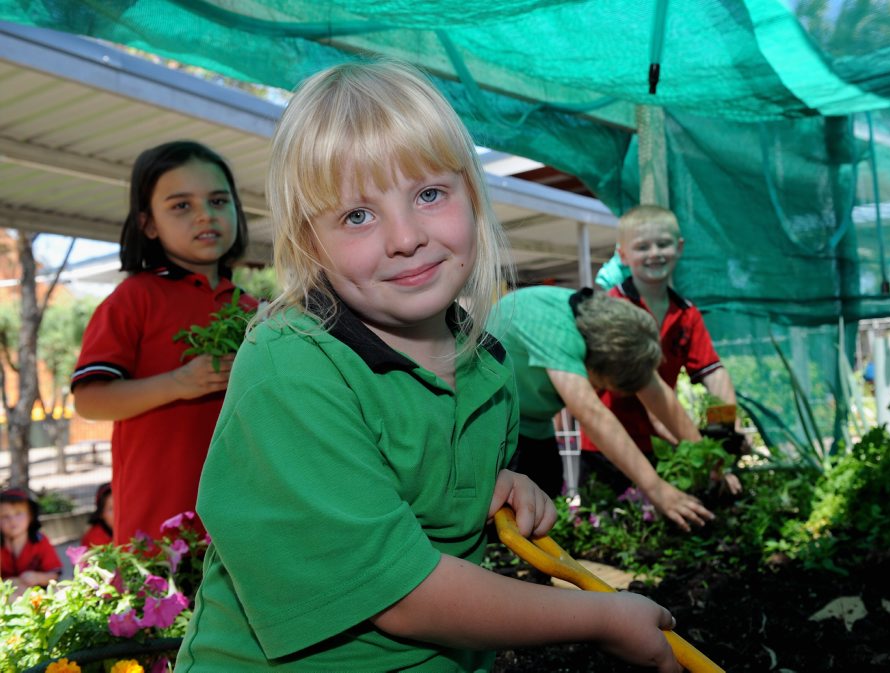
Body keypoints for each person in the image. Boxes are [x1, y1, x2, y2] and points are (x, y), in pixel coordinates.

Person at [175, 60, 681, 672]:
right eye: (357, 215)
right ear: (311, 243)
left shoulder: (485, 365)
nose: (406, 236)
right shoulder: (293, 366)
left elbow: (424, 499)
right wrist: (602, 616)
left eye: (429, 194)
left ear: (472, 195)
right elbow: (402, 594)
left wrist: (498, 491)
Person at [70, 141, 259, 544]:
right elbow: (89, 400)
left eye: (218, 200)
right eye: (181, 206)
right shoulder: (133, 299)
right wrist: (179, 383)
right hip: (156, 526)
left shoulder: (253, 310)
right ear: (148, 224)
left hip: (242, 518)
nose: (206, 215)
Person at [487, 285, 714, 531]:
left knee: (545, 499)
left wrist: (711, 460)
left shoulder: (610, 330)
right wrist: (656, 489)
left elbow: (659, 395)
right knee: (506, 516)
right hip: (492, 423)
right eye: (603, 385)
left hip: (534, 422)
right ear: (592, 366)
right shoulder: (556, 330)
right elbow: (591, 415)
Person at [589, 205, 743, 495]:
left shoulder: (687, 314)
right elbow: (648, 391)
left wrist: (726, 431)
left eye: (663, 243)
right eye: (642, 246)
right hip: (608, 445)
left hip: (660, 444)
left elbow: (713, 373)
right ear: (623, 255)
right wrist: (706, 455)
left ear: (679, 247)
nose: (654, 253)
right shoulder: (612, 307)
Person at [1, 488, 62, 598]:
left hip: (39, 598)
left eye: (18, 513)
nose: (12, 520)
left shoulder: (40, 540)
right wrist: (10, 582)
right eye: (5, 516)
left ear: (31, 516)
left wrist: (38, 577)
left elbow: (55, 574)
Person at [80, 482, 113, 547]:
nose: (118, 514)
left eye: (121, 507)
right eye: (111, 509)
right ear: (101, 513)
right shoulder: (94, 540)